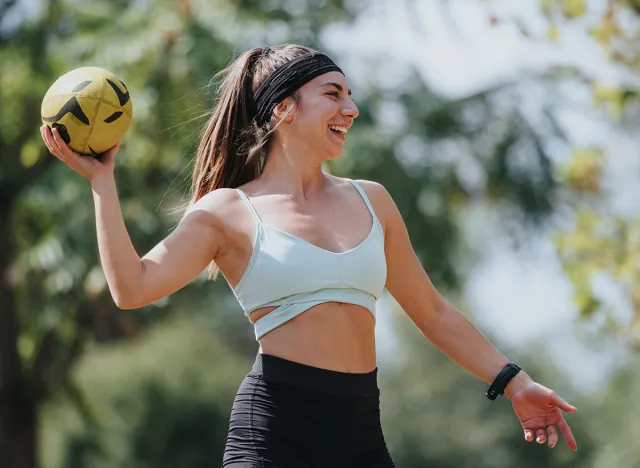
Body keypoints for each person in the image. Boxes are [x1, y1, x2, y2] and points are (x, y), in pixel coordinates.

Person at [40, 44, 578, 467]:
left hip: (361, 432)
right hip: (274, 431)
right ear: (284, 108)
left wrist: (515, 382)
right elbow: (132, 288)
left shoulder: (373, 200)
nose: (352, 108)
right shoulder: (227, 211)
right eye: (333, 93)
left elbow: (432, 312)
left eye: (350, 95)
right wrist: (102, 184)